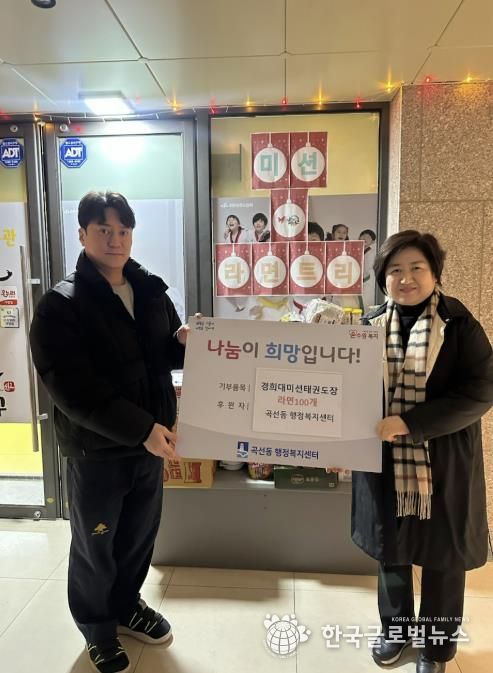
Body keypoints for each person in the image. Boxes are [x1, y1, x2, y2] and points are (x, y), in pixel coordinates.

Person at [30, 191, 192, 673]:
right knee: (95, 545)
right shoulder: (61, 305)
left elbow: (163, 355)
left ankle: (126, 605)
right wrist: (142, 429)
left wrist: (187, 343)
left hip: (151, 443)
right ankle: (97, 628)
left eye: (123, 230)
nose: (115, 239)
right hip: (97, 450)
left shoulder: (150, 291)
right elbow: (73, 391)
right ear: (82, 234)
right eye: (104, 230)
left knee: (139, 536)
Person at [351, 230, 493, 673]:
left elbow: (482, 390)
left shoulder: (459, 324)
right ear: (382, 278)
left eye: (416, 268)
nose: (405, 278)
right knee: (391, 552)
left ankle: (435, 648)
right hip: (384, 462)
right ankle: (395, 631)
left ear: (435, 273)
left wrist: (412, 424)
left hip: (443, 462)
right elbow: (348, 394)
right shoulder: (369, 326)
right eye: (394, 270)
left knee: (443, 559)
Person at [359, 228, 377, 309]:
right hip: (359, 282)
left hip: (366, 282)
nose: (365, 238)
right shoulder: (357, 250)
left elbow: (366, 269)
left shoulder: (371, 253)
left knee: (365, 303)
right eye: (363, 235)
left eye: (368, 237)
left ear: (372, 242)